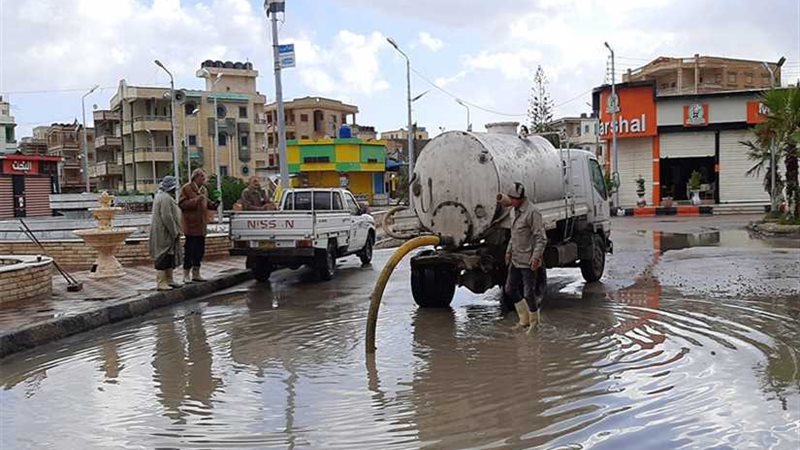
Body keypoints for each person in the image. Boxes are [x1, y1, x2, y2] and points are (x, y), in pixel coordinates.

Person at [500, 182, 547, 331]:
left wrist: (536, 257)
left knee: (528, 293)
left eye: (513, 199)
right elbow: (513, 235)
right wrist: (508, 252)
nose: (510, 201)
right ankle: (524, 319)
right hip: (516, 258)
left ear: (520, 198)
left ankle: (534, 322)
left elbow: (541, 238)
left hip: (528, 260)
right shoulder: (513, 211)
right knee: (509, 289)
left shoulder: (532, 212)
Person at [178, 169, 219, 283]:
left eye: (204, 177)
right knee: (190, 250)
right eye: (201, 176)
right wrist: (196, 200)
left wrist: (214, 204)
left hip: (201, 226)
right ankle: (186, 274)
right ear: (195, 177)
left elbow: (207, 203)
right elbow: (182, 204)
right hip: (191, 226)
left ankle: (196, 273)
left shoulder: (204, 190)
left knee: (199, 251)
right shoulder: (186, 188)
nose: (203, 179)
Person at [149, 176, 183, 291]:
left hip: (166, 233)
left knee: (169, 256)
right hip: (164, 233)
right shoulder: (165, 198)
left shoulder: (163, 196)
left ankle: (169, 279)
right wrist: (174, 231)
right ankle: (161, 282)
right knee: (163, 256)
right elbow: (167, 216)